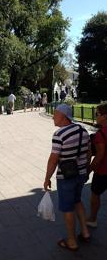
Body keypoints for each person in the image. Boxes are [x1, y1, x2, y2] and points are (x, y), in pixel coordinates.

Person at [43, 103, 91, 251]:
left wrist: (47, 178)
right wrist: (86, 169)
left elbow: (53, 159)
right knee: (77, 201)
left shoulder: (59, 134)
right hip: (82, 174)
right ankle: (85, 232)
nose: (53, 117)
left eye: (55, 114)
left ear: (63, 117)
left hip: (67, 177)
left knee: (67, 208)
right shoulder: (83, 130)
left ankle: (71, 241)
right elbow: (89, 152)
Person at [87, 103, 107, 228]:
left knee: (95, 194)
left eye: (97, 114)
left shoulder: (101, 134)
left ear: (105, 116)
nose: (95, 116)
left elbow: (99, 157)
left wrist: (89, 170)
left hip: (103, 172)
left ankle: (92, 219)